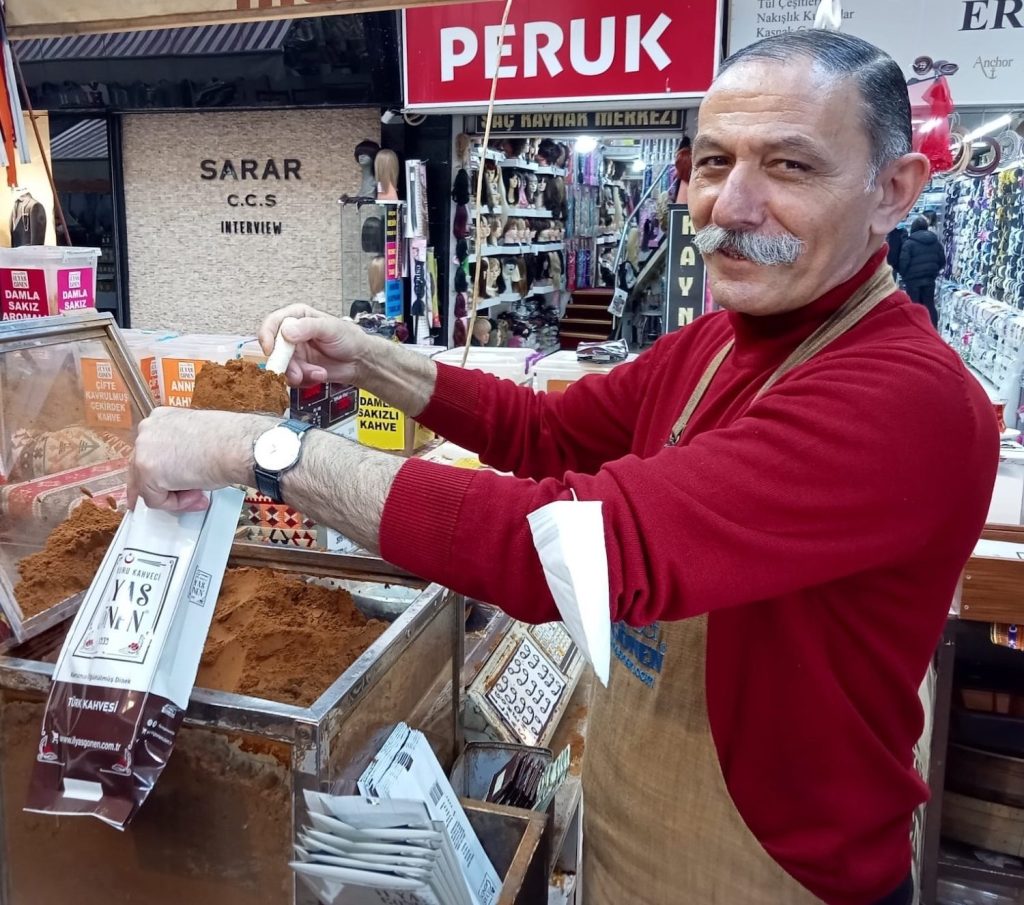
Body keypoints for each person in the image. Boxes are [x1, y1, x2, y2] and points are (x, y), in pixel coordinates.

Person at [130, 29, 998, 905]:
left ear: (893, 190)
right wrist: (369, 358)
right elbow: (543, 429)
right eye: (712, 161)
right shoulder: (713, 345)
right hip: (633, 831)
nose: (732, 204)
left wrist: (260, 449)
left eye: (790, 166)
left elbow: (558, 546)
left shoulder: (905, 400)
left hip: (777, 877)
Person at [899, 216, 946, 327]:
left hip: (912, 281)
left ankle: (915, 328)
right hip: (929, 279)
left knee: (914, 305)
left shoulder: (909, 243)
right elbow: (942, 261)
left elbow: (904, 262)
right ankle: (932, 329)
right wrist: (934, 272)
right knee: (929, 305)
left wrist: (904, 275)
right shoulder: (936, 242)